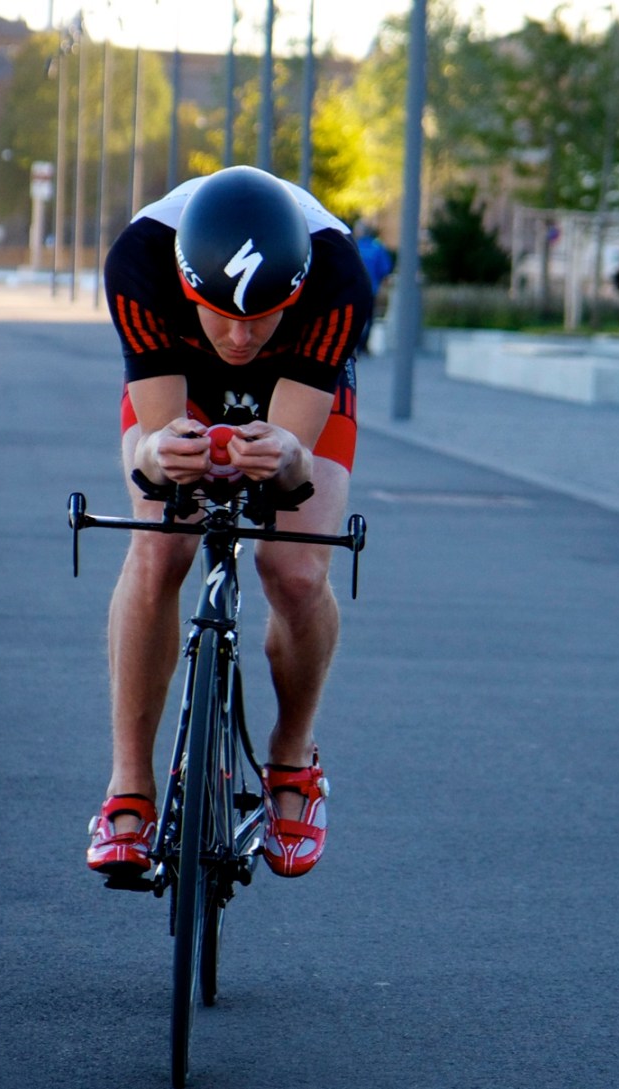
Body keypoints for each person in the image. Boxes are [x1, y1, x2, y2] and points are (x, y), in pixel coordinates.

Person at [89, 166, 372, 881]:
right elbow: (154, 452)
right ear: (189, 287)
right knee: (158, 548)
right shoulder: (140, 260)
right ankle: (129, 788)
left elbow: (295, 466)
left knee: (296, 567)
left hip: (297, 385)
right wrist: (159, 452)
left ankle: (291, 757)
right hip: (180, 376)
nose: (240, 336)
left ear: (296, 292)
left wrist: (280, 461)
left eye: (260, 316)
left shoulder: (339, 276)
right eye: (221, 313)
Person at [355, 223, 393, 354]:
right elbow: (385, 269)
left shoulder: (354, 245)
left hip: (354, 289)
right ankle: (363, 345)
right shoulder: (377, 247)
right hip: (371, 289)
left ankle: (356, 345)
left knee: (355, 317)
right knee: (369, 318)